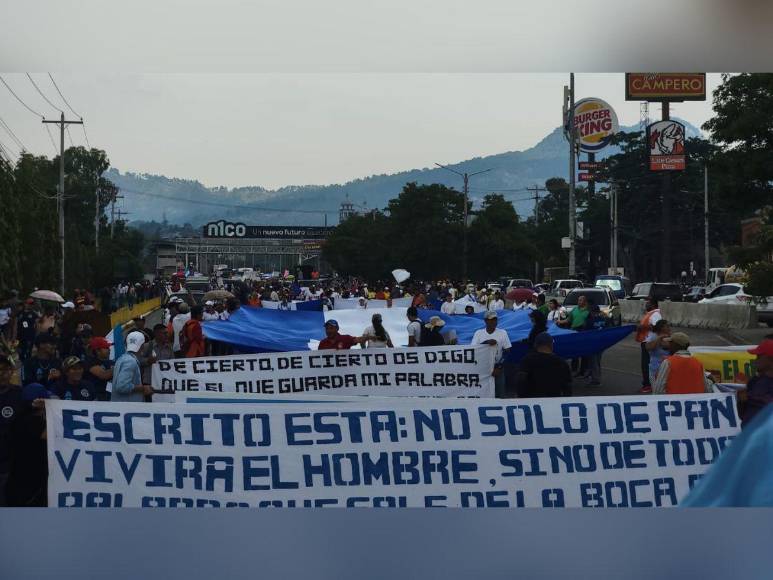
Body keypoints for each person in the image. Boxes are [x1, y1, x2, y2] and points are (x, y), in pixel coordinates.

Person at [6, 382, 51, 506]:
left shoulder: (21, 416)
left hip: (27, 476)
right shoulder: (27, 420)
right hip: (26, 480)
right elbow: (48, 434)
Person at [516, 332, 572, 398]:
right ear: (551, 345)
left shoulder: (527, 360)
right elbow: (567, 386)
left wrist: (521, 397)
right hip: (554, 401)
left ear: (535, 345)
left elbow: (521, 380)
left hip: (532, 402)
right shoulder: (562, 362)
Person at [472, 311, 512, 398]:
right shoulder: (478, 333)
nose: (493, 322)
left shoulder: (503, 333)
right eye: (491, 320)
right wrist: (486, 342)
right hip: (482, 368)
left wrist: (499, 367)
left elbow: (507, 351)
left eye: (495, 319)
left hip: (497, 367)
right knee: (482, 392)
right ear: (485, 321)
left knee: (500, 392)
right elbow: (474, 350)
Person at [0, 356, 23, 506]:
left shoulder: (19, 394)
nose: (2, 374)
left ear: (12, 372)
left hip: (6, 456)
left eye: (5, 370)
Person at [112, 331, 154, 402]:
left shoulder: (122, 358)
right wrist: (143, 388)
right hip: (127, 407)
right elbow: (122, 386)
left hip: (123, 407)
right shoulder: (130, 361)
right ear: (142, 346)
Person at [741, 339, 773, 427]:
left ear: (770, 358)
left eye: (759, 357)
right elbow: (744, 414)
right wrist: (741, 401)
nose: (755, 360)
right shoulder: (754, 381)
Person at [635, 297, 662, 394]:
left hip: (650, 342)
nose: (646, 305)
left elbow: (658, 327)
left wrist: (643, 327)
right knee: (646, 364)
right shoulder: (651, 314)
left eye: (648, 303)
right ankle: (648, 383)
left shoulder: (655, 314)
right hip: (646, 341)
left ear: (653, 305)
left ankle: (648, 385)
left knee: (646, 364)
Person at [84, 336, 114, 401]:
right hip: (96, 397)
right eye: (106, 348)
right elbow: (104, 375)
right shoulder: (90, 362)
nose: (109, 349)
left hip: (110, 395)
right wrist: (120, 366)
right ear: (97, 351)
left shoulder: (111, 362)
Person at [645, 319, 672, 387]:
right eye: (667, 326)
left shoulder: (670, 337)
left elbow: (669, 347)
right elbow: (648, 347)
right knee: (656, 389)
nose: (669, 328)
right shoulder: (652, 336)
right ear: (661, 328)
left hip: (667, 369)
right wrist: (659, 338)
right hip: (655, 368)